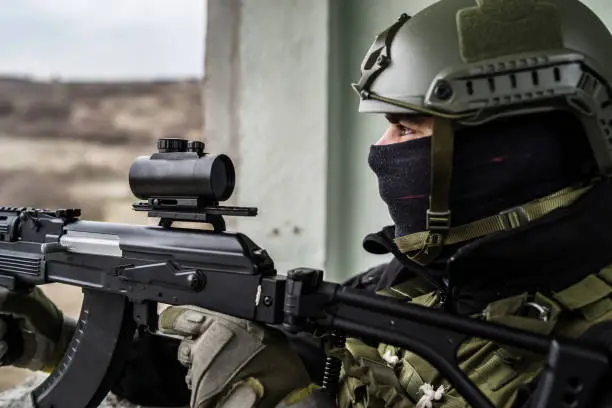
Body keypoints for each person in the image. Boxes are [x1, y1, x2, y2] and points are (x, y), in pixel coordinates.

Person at [4, 0, 612, 406]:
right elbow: (256, 376)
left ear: (516, 144)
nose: (382, 150)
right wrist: (52, 339)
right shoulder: (406, 280)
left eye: (407, 129)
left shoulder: (592, 345)